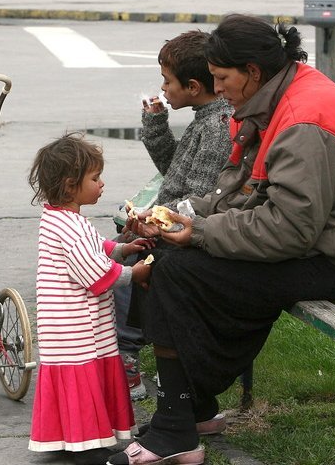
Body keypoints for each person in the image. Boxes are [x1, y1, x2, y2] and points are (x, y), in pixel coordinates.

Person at [111, 14, 335, 465]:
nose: (217, 88)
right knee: (167, 258)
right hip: (311, 244)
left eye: (222, 78)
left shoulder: (304, 118)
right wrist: (177, 218)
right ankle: (189, 412)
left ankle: (176, 428)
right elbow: (241, 191)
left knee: (176, 273)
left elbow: (288, 230)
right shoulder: (277, 97)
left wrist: (199, 232)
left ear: (253, 72)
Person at [115, 30, 233, 403]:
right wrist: (155, 124)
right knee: (119, 251)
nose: (163, 88)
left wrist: (157, 216)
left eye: (168, 81)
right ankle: (120, 349)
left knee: (133, 261)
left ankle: (127, 357)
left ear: (194, 86)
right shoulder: (205, 118)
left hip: (190, 232)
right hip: (176, 223)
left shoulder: (216, 127)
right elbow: (175, 170)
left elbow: (196, 198)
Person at [27, 133, 155, 465]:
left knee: (72, 377)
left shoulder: (61, 218)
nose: (101, 184)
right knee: (82, 376)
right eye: (95, 178)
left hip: (65, 321)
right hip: (75, 322)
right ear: (71, 186)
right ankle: (88, 444)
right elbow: (98, 276)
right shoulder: (70, 227)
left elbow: (96, 246)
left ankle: (66, 435)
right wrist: (134, 272)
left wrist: (123, 248)